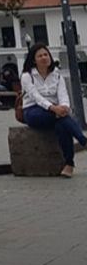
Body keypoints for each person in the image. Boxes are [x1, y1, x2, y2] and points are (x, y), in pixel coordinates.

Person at [20, 44, 87, 178]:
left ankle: (69, 165)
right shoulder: (27, 76)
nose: (44, 57)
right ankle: (82, 140)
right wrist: (53, 108)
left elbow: (63, 94)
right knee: (61, 118)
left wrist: (64, 107)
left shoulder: (56, 75)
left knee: (62, 125)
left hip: (56, 112)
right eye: (40, 56)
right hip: (33, 111)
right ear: (34, 60)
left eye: (46, 54)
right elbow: (36, 97)